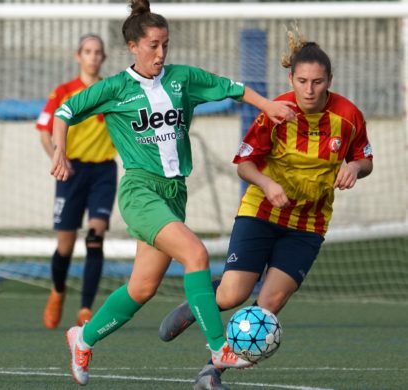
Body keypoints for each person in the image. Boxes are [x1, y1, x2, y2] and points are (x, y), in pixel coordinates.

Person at [50, 0, 296, 385]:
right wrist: (59, 151)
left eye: (165, 44)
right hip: (140, 190)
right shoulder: (115, 88)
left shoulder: (181, 79)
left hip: (173, 192)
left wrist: (268, 105)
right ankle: (219, 346)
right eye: (153, 45)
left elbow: (231, 88)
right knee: (196, 254)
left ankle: (83, 336)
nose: (161, 53)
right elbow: (64, 113)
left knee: (142, 287)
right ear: (133, 46)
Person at [158, 28, 373, 390]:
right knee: (232, 296)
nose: (309, 89)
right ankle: (207, 295)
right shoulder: (276, 111)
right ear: (291, 78)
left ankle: (211, 372)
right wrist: (268, 184)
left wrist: (354, 168)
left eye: (317, 82)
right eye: (302, 81)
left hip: (308, 225)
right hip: (261, 212)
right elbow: (244, 164)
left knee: (266, 308)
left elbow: (365, 159)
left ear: (329, 82)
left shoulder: (348, 116)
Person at [36, 34, 117, 329]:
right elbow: (45, 130)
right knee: (65, 246)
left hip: (104, 172)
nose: (93, 57)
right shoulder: (63, 92)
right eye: (88, 51)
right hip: (71, 172)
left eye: (98, 52)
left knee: (95, 237)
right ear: (78, 56)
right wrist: (59, 157)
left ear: (104, 58)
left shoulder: (112, 91)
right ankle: (58, 291)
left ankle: (85, 309)